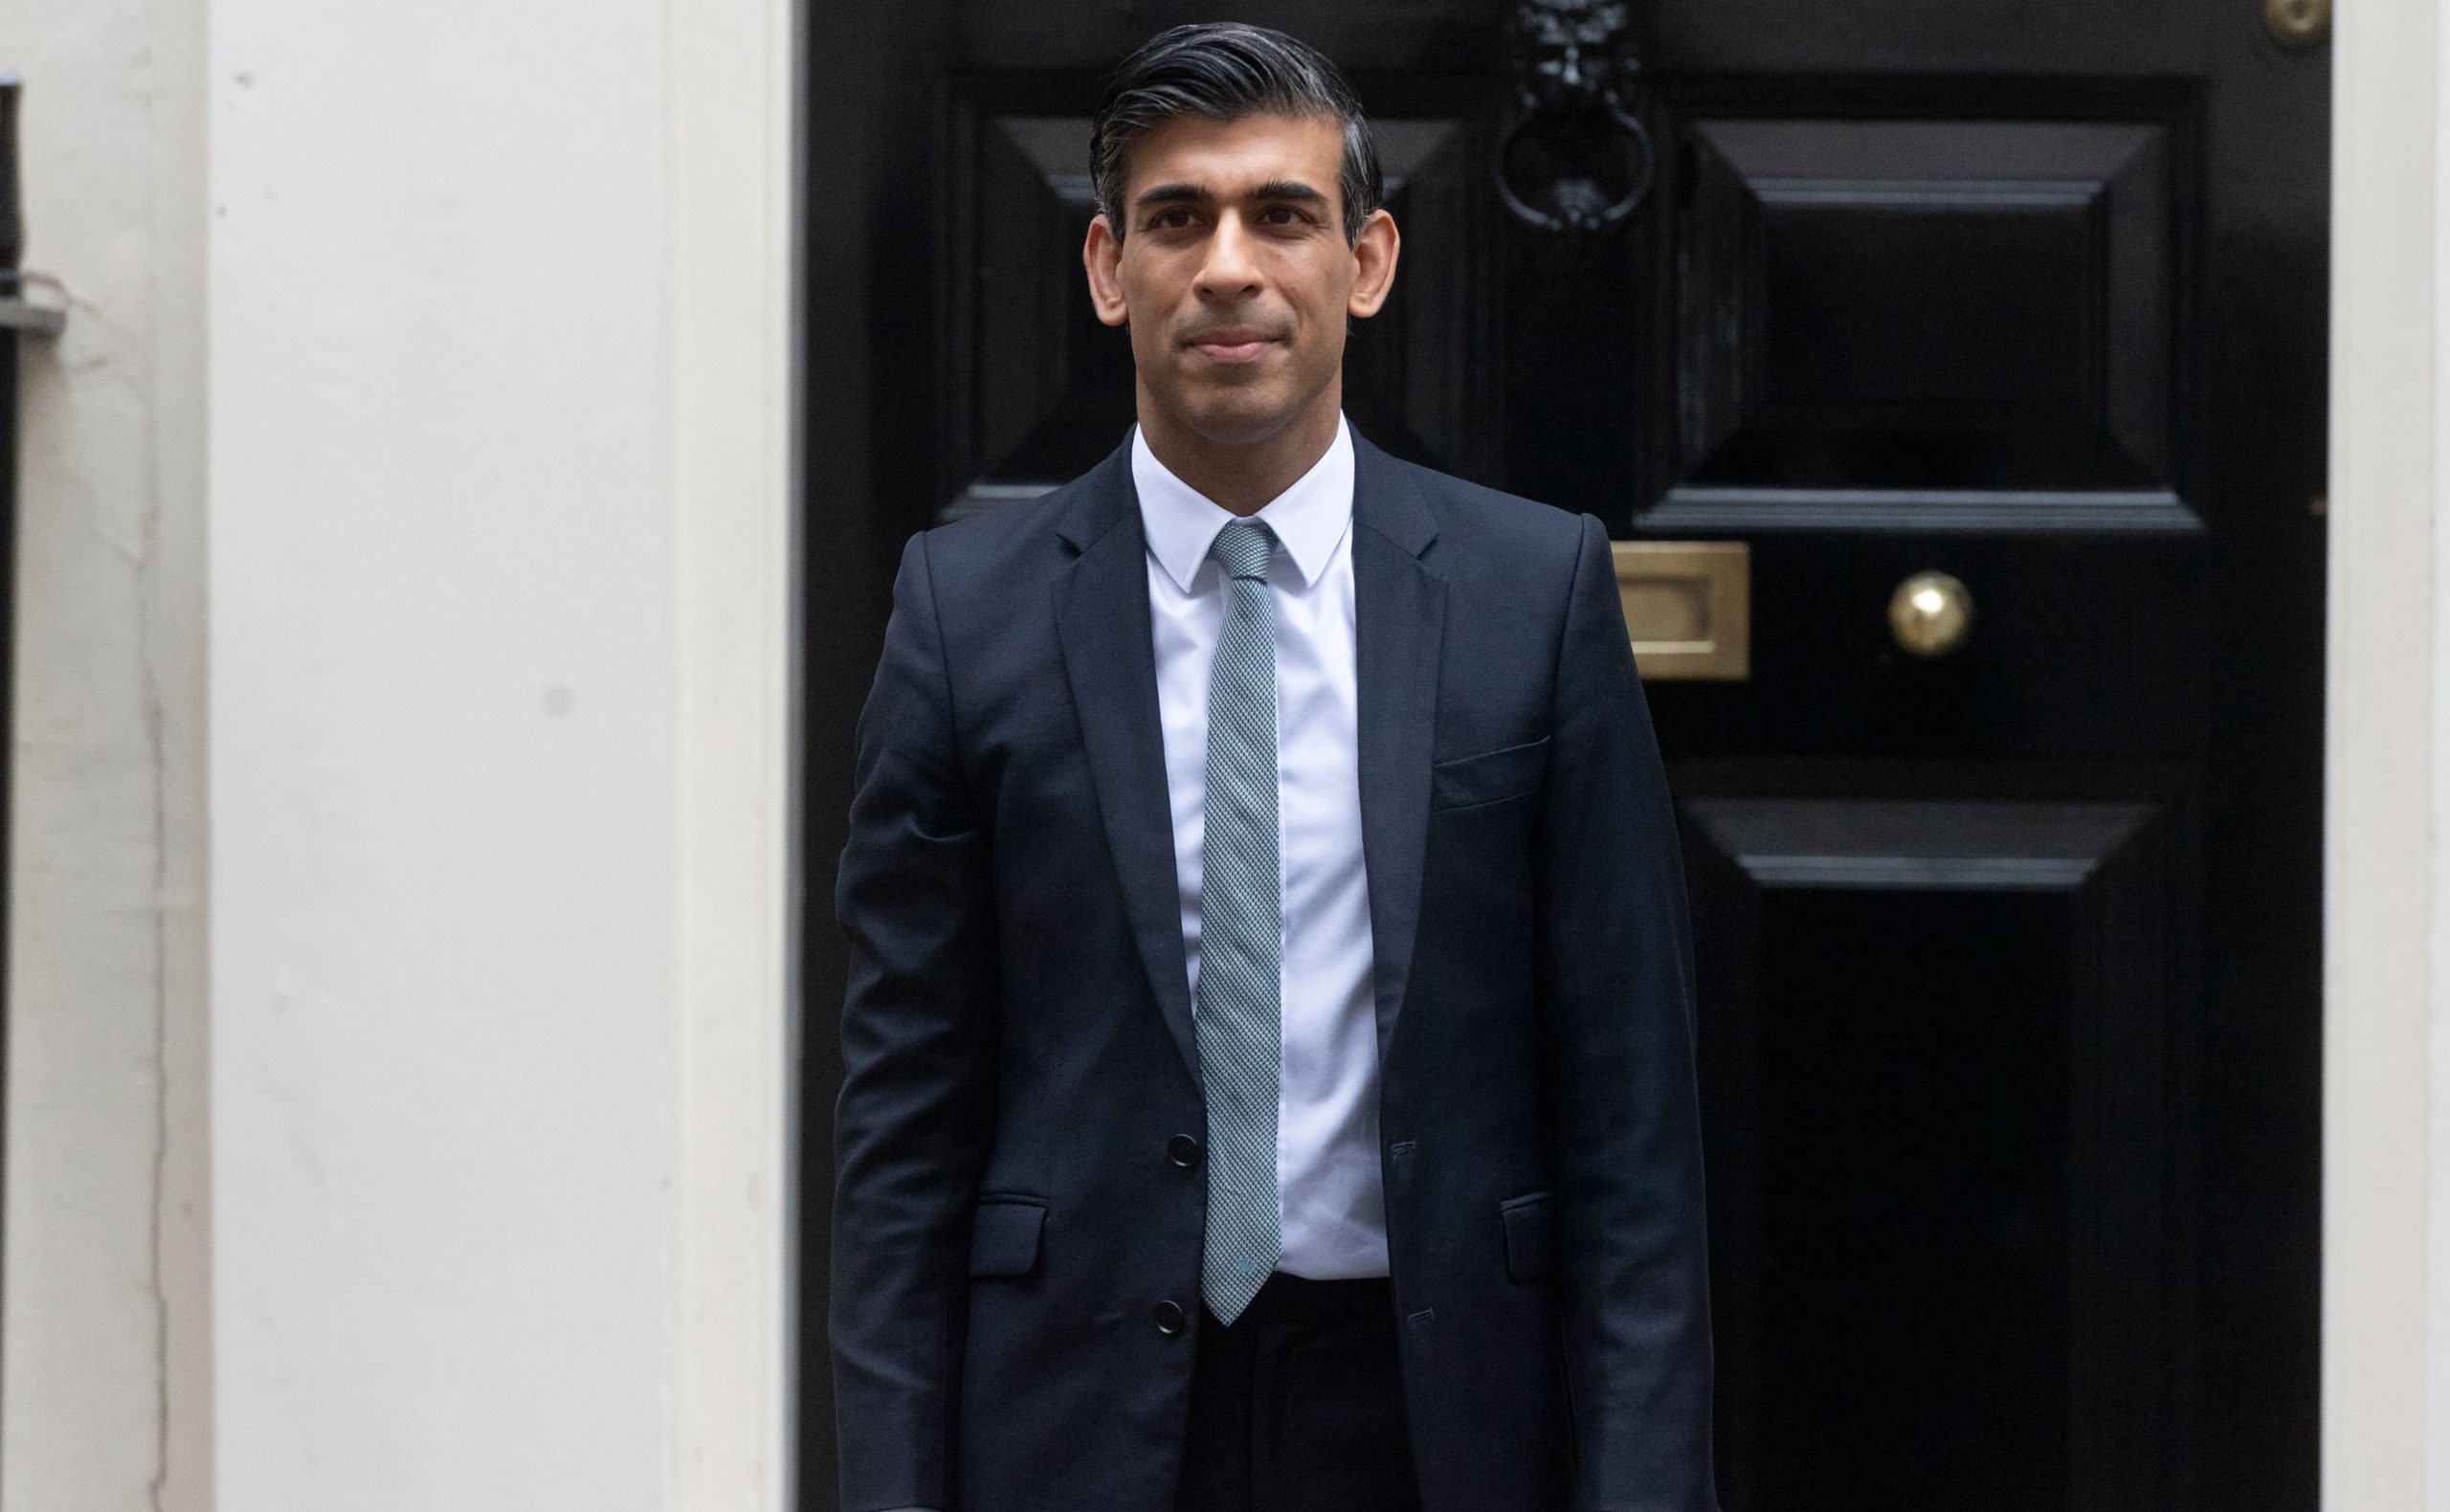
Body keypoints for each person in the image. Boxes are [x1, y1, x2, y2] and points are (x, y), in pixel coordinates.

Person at [831, 21, 1714, 1512]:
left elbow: (1633, 1131)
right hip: (1077, 1424)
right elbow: (901, 1141)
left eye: (1281, 215)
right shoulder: (964, 618)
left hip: (1430, 1414)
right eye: (1178, 218)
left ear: (1366, 262)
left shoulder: (1531, 594)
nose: (1228, 267)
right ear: (1108, 268)